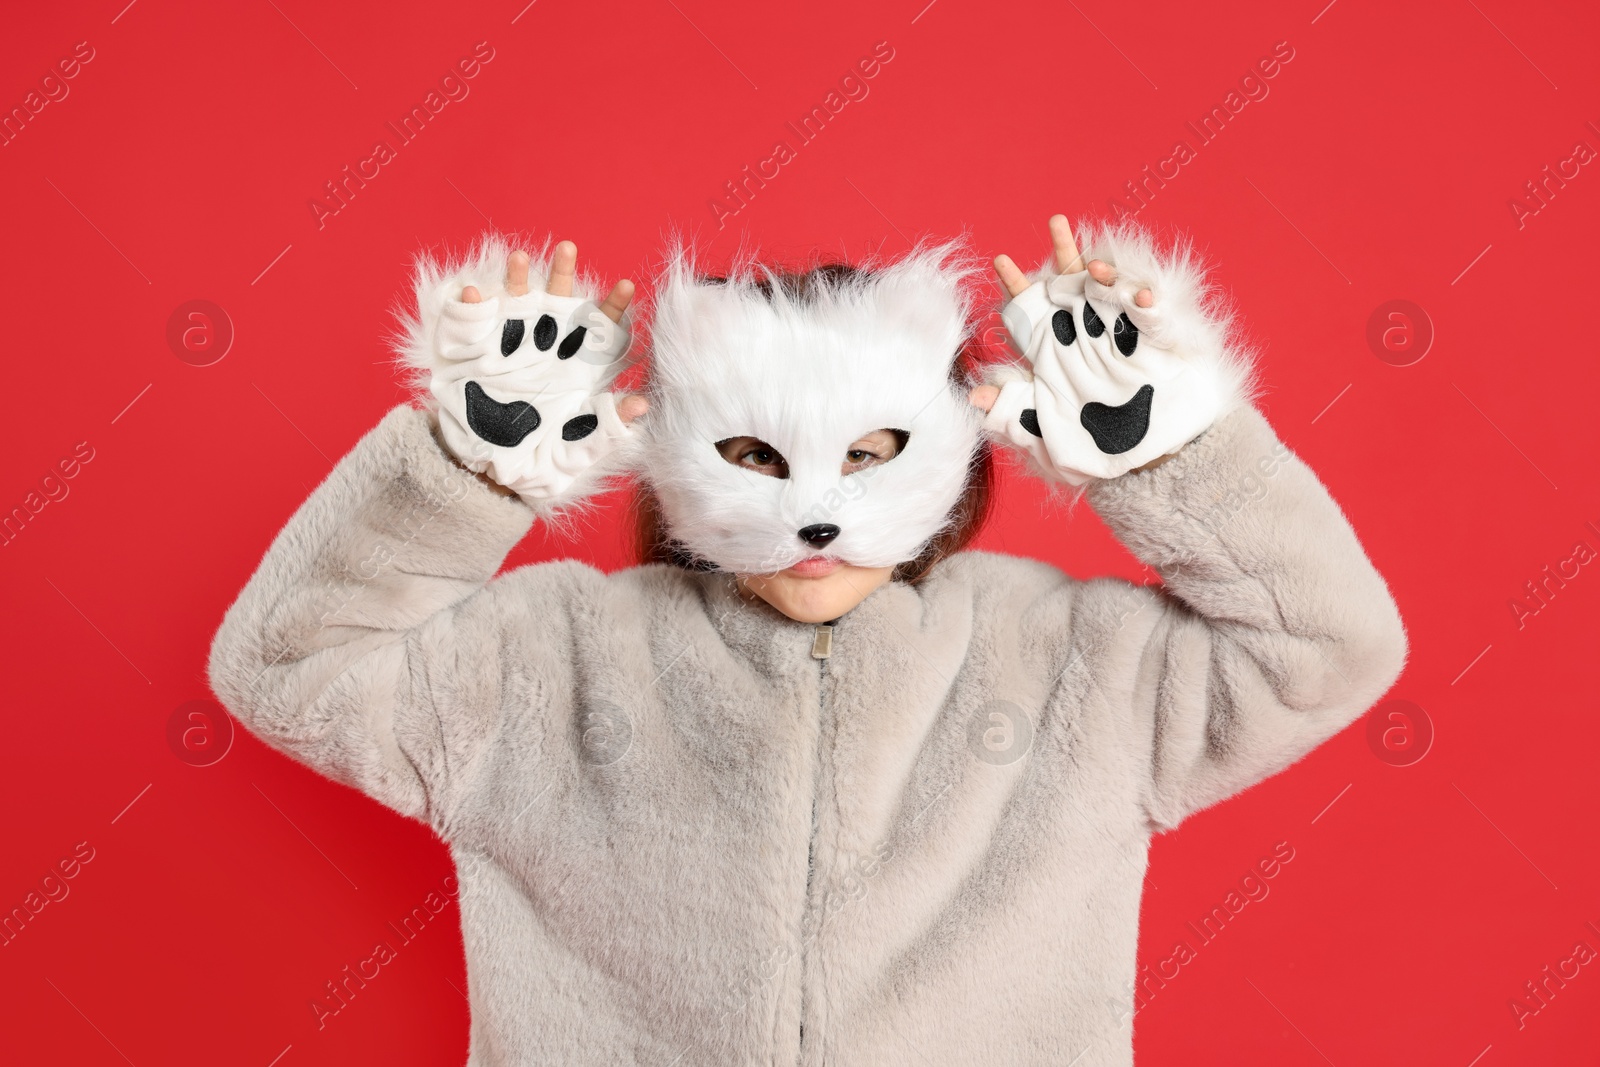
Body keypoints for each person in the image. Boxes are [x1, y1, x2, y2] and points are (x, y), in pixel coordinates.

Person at [208, 214, 1406, 1065]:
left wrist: (1171, 452)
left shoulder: (1066, 664)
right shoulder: (549, 659)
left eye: (872, 455)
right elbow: (286, 668)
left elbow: (1327, 646)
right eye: (752, 456)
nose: (816, 514)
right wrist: (473, 465)